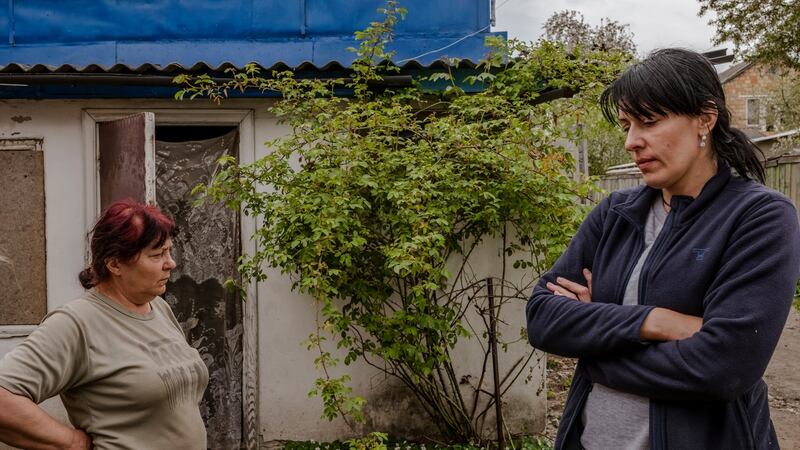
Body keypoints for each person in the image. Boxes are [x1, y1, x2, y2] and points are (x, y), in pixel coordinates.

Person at [526, 48, 800, 450]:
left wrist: (591, 345)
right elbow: (542, 317)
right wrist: (654, 321)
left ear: (705, 119)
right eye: (626, 125)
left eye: (649, 122)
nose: (631, 142)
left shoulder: (759, 218)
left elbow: (724, 368)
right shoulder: (614, 214)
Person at [0, 199, 208, 449]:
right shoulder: (77, 323)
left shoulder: (159, 308)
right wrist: (70, 442)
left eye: (169, 251)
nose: (171, 263)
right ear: (115, 264)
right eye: (157, 255)